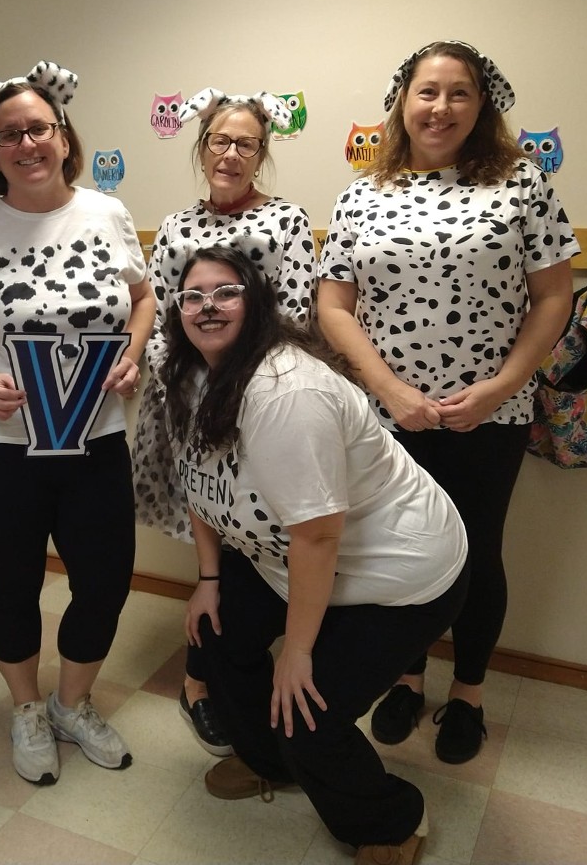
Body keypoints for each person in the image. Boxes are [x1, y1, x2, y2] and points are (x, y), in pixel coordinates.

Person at [317, 40, 577, 765]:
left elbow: (554, 296)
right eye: (427, 92)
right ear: (402, 102)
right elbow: (335, 304)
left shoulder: (522, 184)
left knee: (477, 554)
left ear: (481, 104)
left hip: (488, 413)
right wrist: (388, 390)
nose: (441, 107)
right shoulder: (363, 193)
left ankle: (468, 692)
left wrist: (498, 387)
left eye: (458, 93)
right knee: (396, 551)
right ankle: (405, 676)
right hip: (388, 415)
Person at [167, 245, 468, 865]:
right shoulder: (194, 373)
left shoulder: (285, 392)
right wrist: (207, 578)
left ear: (256, 305)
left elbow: (319, 536)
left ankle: (394, 820)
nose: (208, 306)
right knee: (217, 632)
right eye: (193, 295)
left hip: (398, 575)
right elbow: (200, 483)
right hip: (294, 559)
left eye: (225, 291)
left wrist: (299, 651)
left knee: (306, 717)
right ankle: (272, 766)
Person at [0, 62, 155, 785]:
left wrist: (134, 355)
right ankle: (26, 709)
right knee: (15, 583)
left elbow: (143, 299)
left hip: (95, 438)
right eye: (9, 135)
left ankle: (70, 704)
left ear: (63, 136)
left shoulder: (107, 214)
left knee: (106, 579)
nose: (26, 144)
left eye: (38, 129)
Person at [131, 87, 315, 757]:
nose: (230, 154)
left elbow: (296, 315)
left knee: (257, 546)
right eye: (219, 141)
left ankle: (243, 677)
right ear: (201, 148)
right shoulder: (177, 227)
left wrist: (242, 392)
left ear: (261, 154)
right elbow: (158, 317)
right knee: (216, 550)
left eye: (245, 144)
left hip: (262, 410)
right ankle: (199, 685)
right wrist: (188, 387)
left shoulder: (289, 222)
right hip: (190, 411)